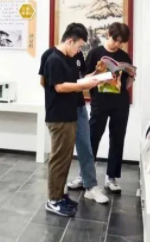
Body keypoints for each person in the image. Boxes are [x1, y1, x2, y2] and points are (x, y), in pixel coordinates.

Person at [38, 23, 109, 205]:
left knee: (84, 147)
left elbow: (79, 78)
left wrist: (96, 76)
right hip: (60, 110)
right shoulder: (51, 57)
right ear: (70, 40)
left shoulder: (76, 55)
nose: (80, 50)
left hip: (77, 106)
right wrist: (74, 88)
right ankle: (55, 196)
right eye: (79, 46)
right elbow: (50, 84)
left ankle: (89, 186)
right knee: (60, 155)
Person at [85, 22, 135, 193]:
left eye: (121, 42)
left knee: (117, 138)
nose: (118, 44)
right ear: (108, 34)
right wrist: (99, 74)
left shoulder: (124, 56)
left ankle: (111, 177)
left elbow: (126, 85)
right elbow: (85, 77)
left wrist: (132, 75)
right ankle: (85, 175)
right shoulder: (95, 53)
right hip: (99, 101)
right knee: (92, 137)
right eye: (116, 40)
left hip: (120, 103)